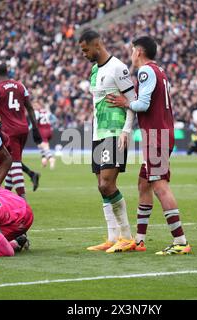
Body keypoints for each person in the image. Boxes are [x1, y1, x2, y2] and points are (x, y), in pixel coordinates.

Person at [107, 36, 192, 255]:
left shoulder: (146, 72)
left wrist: (126, 102)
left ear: (139, 51)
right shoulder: (160, 72)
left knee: (160, 185)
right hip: (159, 133)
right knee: (143, 184)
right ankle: (140, 240)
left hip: (156, 135)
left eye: (133, 50)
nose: (131, 54)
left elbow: (143, 104)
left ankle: (181, 241)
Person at [79, 29, 137, 253]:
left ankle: (127, 236)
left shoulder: (118, 68)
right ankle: (113, 237)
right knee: (100, 187)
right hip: (98, 133)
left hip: (115, 132)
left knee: (107, 184)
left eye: (86, 50)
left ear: (97, 45)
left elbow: (131, 101)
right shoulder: (94, 70)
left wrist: (126, 130)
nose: (84, 54)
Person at [0, 64, 43, 199]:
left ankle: (22, 200)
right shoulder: (20, 86)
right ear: (8, 72)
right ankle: (5, 197)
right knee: (11, 161)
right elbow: (30, 108)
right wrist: (35, 128)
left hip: (10, 131)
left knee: (15, 163)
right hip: (24, 129)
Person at [34, 104, 56, 170]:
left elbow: (34, 121)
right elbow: (54, 119)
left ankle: (51, 159)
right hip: (49, 130)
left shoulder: (36, 112)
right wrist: (49, 123)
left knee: (44, 147)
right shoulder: (47, 112)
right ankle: (44, 161)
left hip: (42, 131)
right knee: (41, 146)